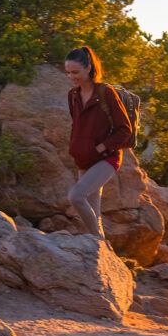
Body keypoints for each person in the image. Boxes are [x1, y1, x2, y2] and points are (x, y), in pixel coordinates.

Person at [64, 46, 133, 240]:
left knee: (76, 197)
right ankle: (100, 253)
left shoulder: (106, 93)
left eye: (75, 72)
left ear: (89, 68)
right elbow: (76, 125)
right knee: (94, 216)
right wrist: (76, 149)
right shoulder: (73, 95)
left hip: (106, 158)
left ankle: (100, 243)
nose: (72, 77)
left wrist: (101, 147)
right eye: (68, 72)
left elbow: (125, 130)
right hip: (83, 159)